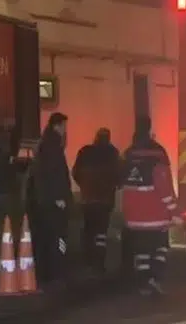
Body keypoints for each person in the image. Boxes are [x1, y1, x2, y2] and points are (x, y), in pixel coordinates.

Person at [120, 116, 179, 295]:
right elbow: (164, 187)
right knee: (161, 247)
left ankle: (143, 284)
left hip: (133, 216)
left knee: (141, 251)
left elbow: (120, 181)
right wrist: (174, 211)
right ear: (150, 129)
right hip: (155, 215)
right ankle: (155, 277)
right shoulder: (158, 153)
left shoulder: (128, 154)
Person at [29, 112, 73, 285]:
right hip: (54, 202)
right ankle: (56, 272)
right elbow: (55, 174)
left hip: (43, 201)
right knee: (58, 237)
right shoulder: (53, 147)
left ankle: (44, 272)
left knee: (44, 237)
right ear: (58, 126)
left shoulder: (44, 144)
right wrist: (59, 197)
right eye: (64, 126)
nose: (65, 130)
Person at [73, 128, 120, 272]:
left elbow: (76, 172)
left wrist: (84, 186)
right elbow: (119, 175)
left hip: (88, 199)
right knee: (101, 232)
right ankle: (98, 263)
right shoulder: (112, 153)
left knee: (89, 229)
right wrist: (114, 186)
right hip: (105, 200)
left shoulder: (85, 152)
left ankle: (87, 261)